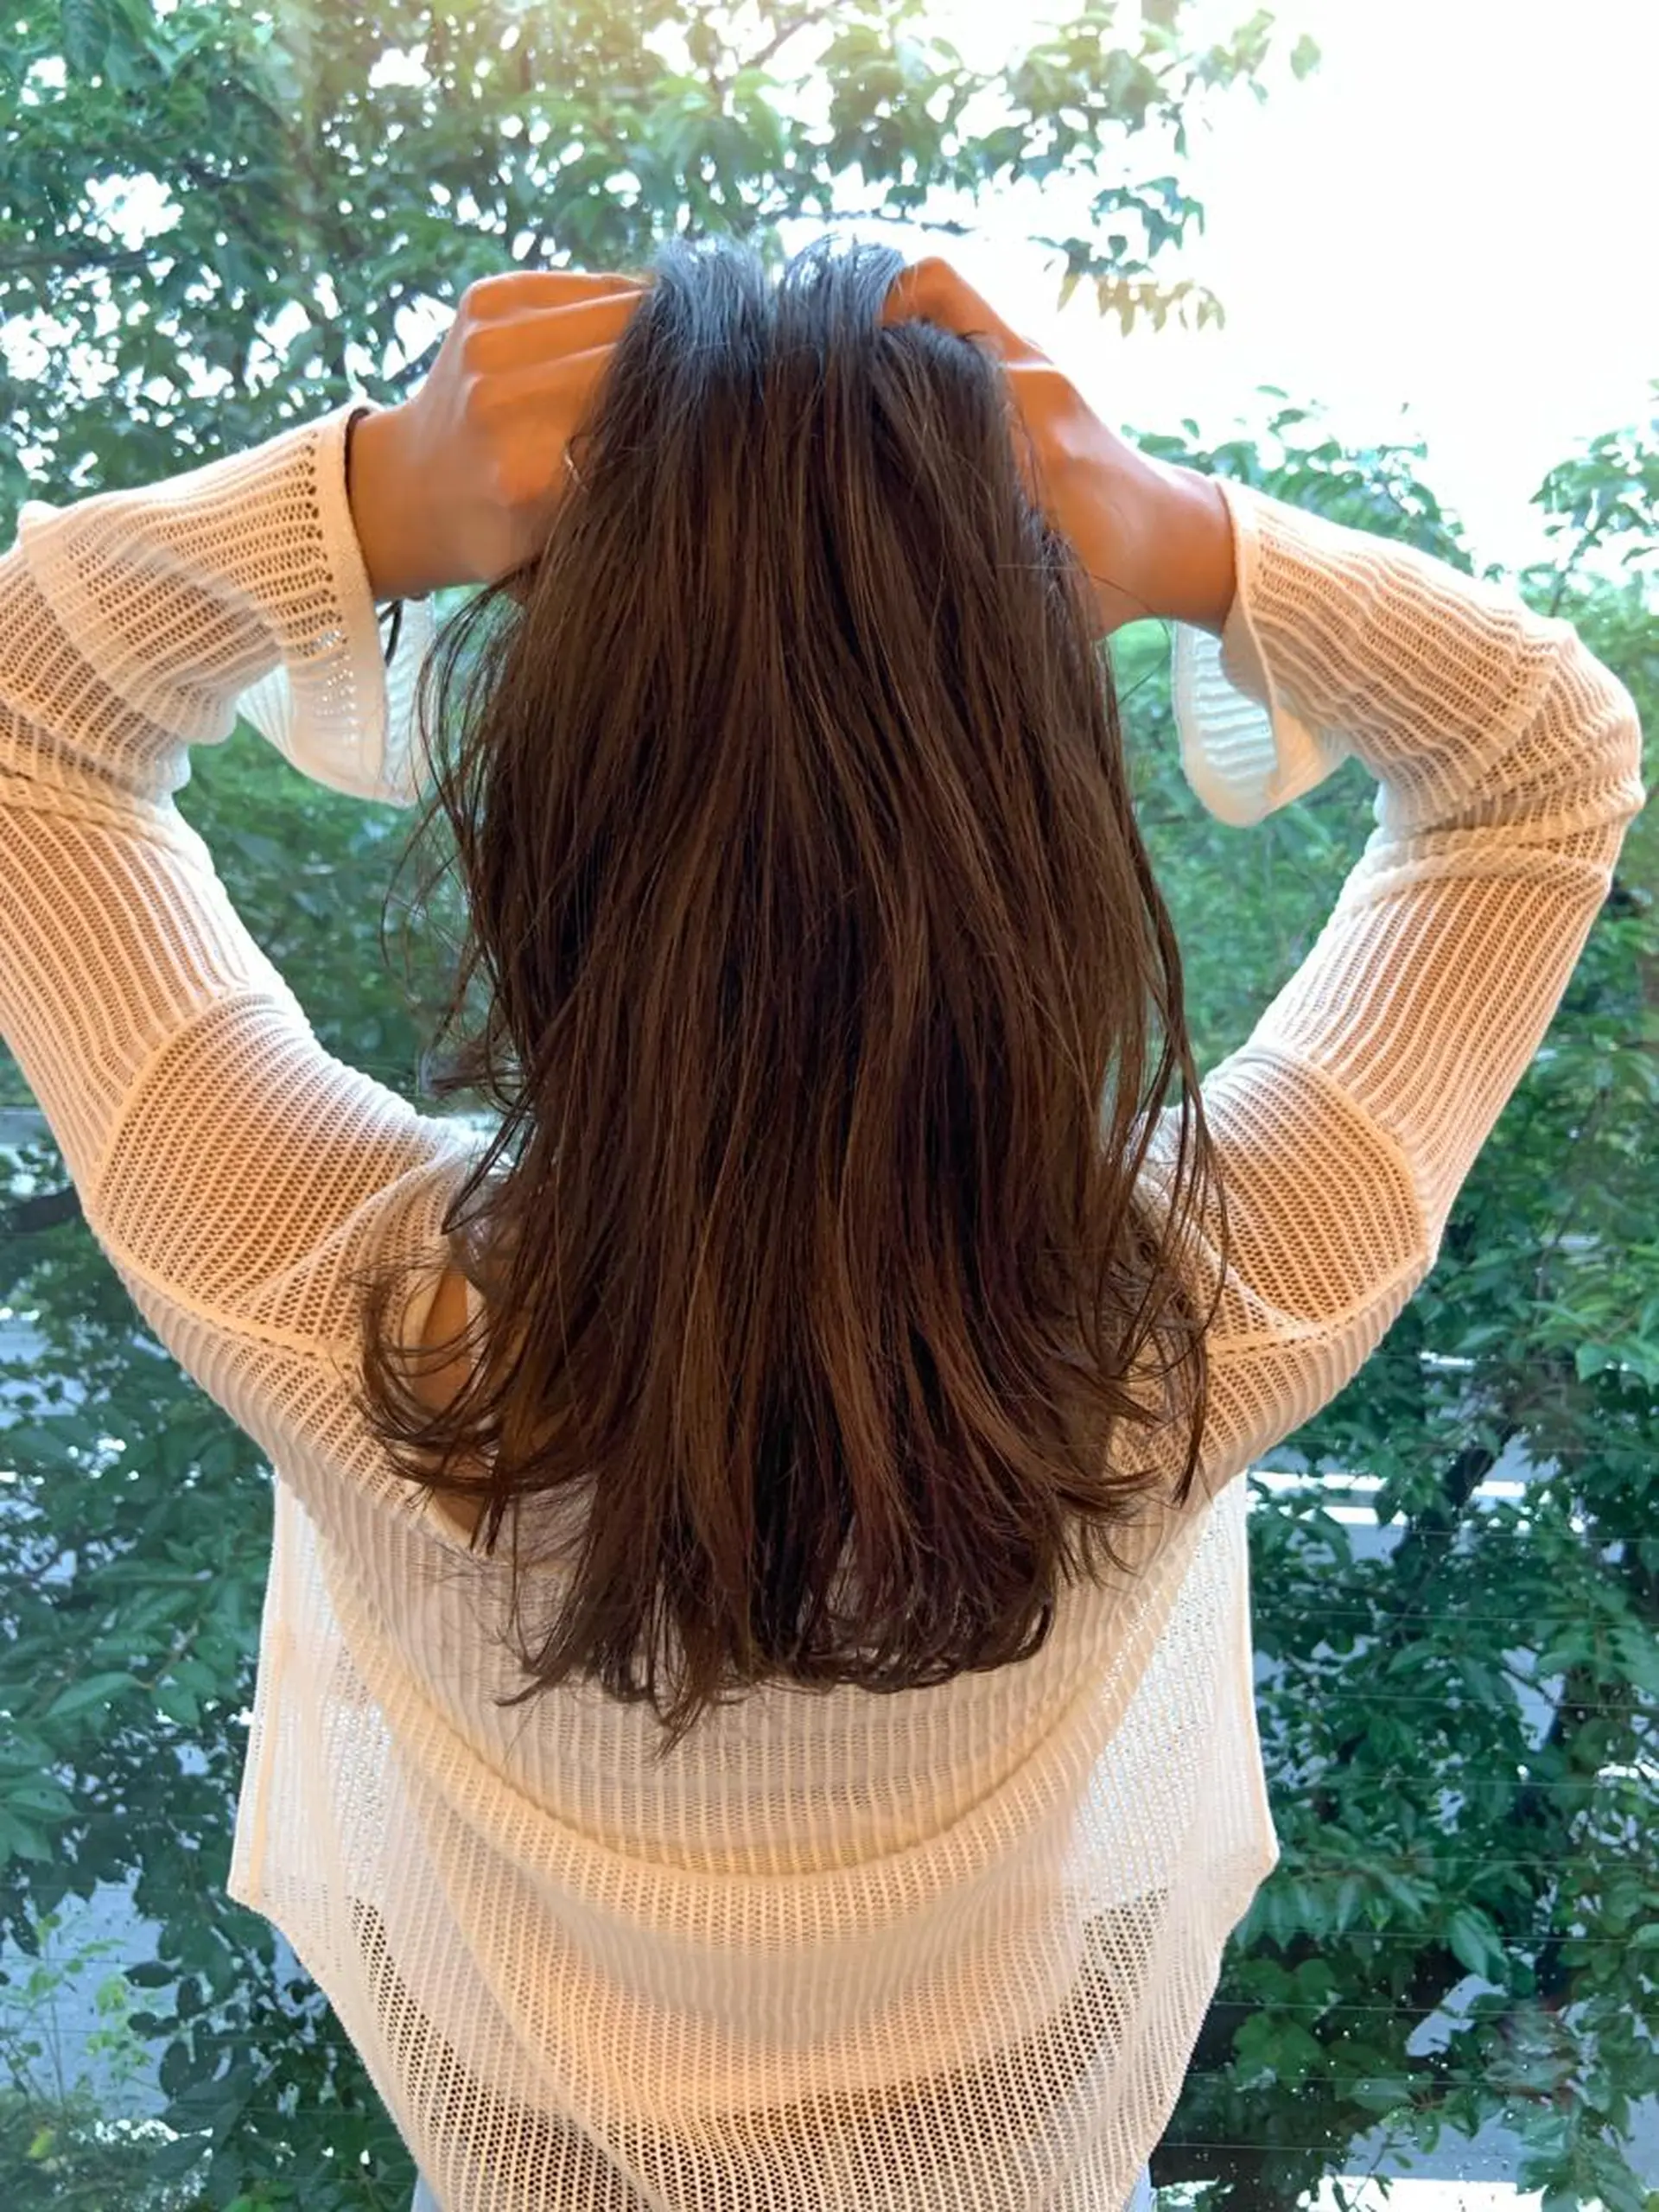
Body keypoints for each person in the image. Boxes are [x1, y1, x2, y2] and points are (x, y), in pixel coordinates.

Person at [0, 231, 1643, 2212]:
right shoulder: (1199, 1312)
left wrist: (375, 492)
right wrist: (1171, 528)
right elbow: (1537, 759)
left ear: (551, 818)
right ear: (1048, 820)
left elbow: (28, 724)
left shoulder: (337, 1304)